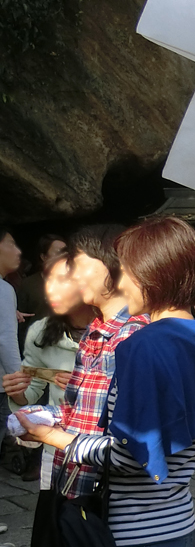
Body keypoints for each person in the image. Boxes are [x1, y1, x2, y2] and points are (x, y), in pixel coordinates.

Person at [16, 216, 195, 547]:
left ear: (155, 274)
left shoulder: (144, 345)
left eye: (128, 271)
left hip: (134, 531)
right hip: (178, 520)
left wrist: (50, 435)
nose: (122, 283)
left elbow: (131, 456)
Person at [10, 225, 147, 546]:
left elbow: (131, 443)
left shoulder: (133, 337)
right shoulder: (88, 333)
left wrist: (53, 434)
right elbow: (80, 411)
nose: (70, 279)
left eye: (78, 268)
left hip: (104, 497)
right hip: (68, 480)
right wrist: (34, 415)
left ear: (115, 268)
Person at [2, 252, 96, 535]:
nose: (49, 289)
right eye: (47, 279)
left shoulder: (113, 332)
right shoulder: (41, 332)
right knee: (58, 525)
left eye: (61, 280)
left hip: (103, 445)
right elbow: (31, 391)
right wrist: (18, 394)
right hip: (58, 447)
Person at [15, 234, 67, 351]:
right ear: (43, 256)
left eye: (66, 251)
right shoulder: (29, 284)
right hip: (35, 344)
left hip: (66, 344)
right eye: (59, 252)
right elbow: (20, 319)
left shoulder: (73, 282)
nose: (63, 256)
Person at [0, 226, 22, 435]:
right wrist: (19, 384)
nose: (19, 252)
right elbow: (5, 339)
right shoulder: (4, 289)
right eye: (12, 244)